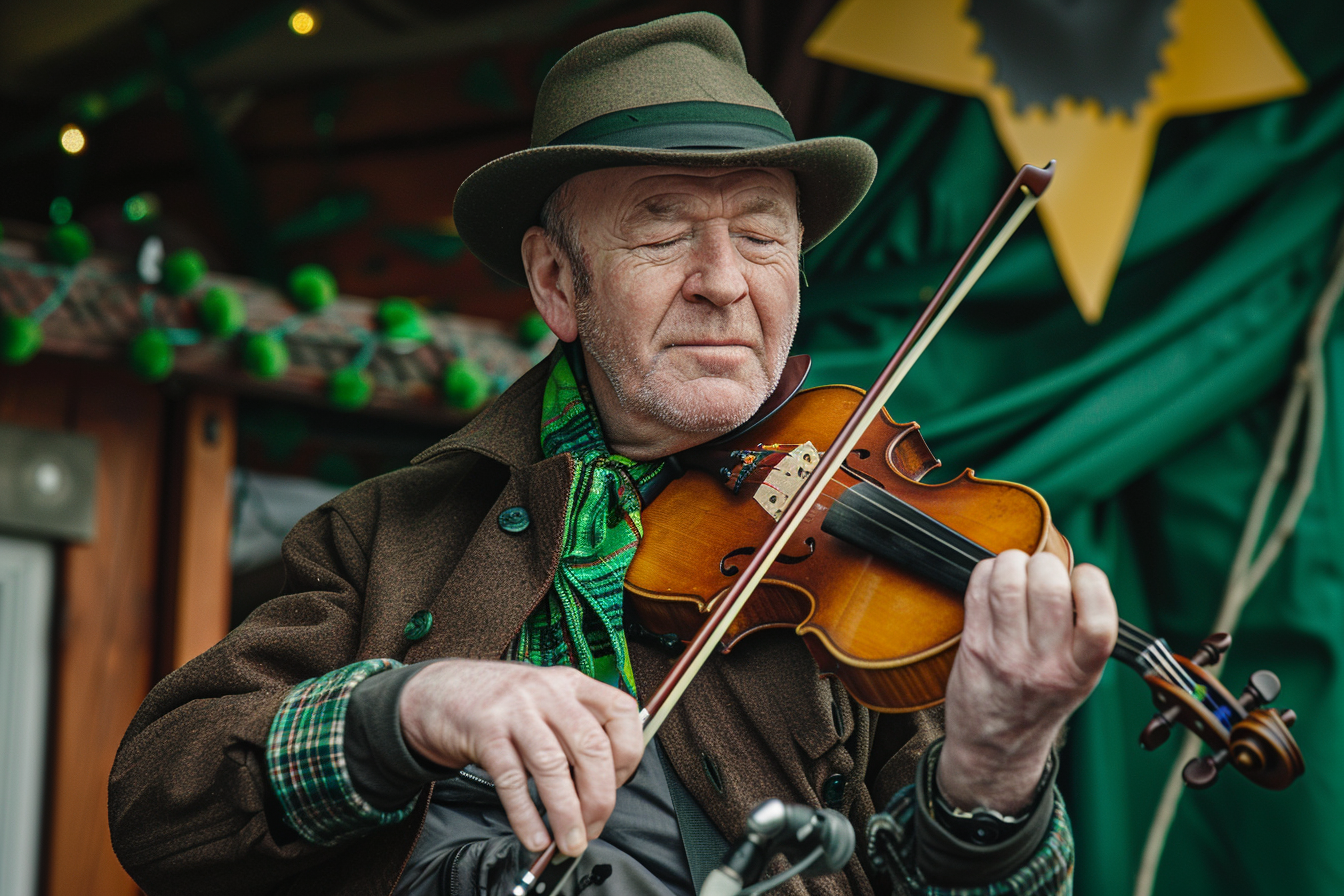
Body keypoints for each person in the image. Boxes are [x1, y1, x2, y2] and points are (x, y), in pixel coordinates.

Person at [109, 12, 1117, 896]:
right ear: (557, 282)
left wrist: (996, 770)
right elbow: (159, 804)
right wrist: (405, 707)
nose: (724, 282)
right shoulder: (386, 532)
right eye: (663, 232)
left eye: (762, 236)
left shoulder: (857, 588)